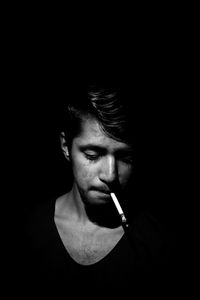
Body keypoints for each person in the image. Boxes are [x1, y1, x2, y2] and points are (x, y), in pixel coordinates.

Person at [23, 82, 177, 297]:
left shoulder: (159, 246)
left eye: (125, 157)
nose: (110, 175)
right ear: (66, 146)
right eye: (93, 155)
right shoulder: (28, 232)